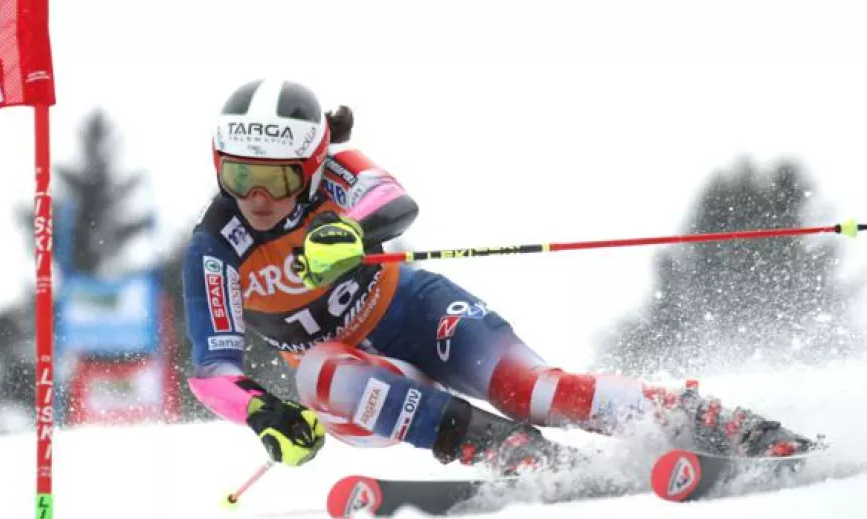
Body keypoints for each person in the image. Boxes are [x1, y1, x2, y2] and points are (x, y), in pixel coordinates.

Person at [180, 78, 816, 474]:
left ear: (313, 164)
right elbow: (213, 372)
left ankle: (711, 421)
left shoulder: (340, 170)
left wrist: (346, 233)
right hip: (354, 390)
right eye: (239, 175)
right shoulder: (217, 247)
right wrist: (264, 413)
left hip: (417, 314)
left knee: (532, 389)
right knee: (319, 369)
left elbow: (393, 203)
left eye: (278, 177)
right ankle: (506, 449)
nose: (257, 197)